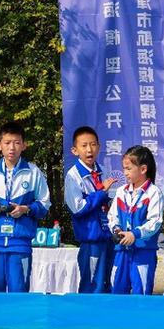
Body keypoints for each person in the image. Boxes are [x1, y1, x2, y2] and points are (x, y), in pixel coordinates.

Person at [0, 121, 50, 292]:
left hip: (19, 242)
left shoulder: (33, 172)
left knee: (19, 293)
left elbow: (44, 203)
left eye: (17, 143)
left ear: (24, 145)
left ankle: (19, 320)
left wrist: (25, 209)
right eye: (7, 143)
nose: (12, 148)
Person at [64, 125, 117, 293]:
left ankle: (104, 318)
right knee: (92, 283)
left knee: (106, 282)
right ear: (74, 150)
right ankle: (88, 318)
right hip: (90, 238)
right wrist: (101, 193)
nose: (89, 150)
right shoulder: (73, 175)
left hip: (107, 236)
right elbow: (77, 208)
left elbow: (112, 201)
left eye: (93, 145)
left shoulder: (103, 171)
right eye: (84, 145)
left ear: (99, 147)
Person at [107, 145, 164, 295]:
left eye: (128, 169)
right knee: (117, 293)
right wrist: (116, 229)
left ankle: (142, 318)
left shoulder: (153, 193)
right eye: (124, 169)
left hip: (143, 252)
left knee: (142, 294)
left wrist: (135, 234)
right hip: (122, 251)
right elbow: (112, 216)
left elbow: (155, 222)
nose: (125, 173)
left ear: (143, 169)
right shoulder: (121, 192)